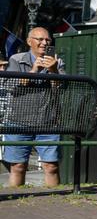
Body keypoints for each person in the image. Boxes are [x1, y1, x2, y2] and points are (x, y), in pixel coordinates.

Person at [2, 27, 65, 188]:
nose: (44, 43)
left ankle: (55, 200)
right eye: (40, 39)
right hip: (18, 121)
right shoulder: (17, 59)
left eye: (47, 40)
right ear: (30, 42)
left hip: (48, 122)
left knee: (51, 166)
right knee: (18, 167)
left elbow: (62, 87)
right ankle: (17, 199)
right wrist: (33, 71)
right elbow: (10, 85)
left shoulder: (57, 61)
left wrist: (53, 70)